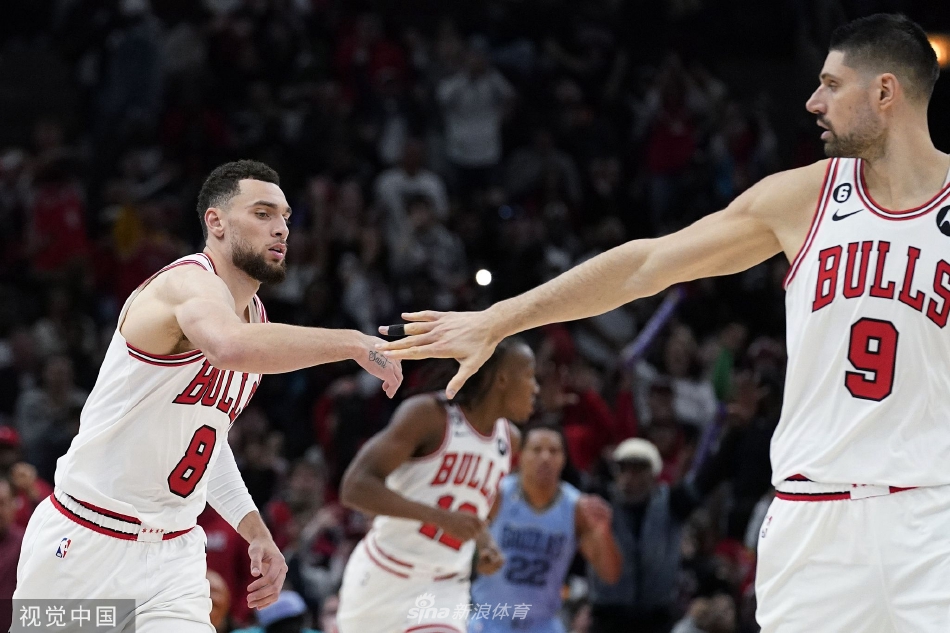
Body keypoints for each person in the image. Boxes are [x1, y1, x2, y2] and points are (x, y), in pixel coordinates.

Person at [378, 14, 950, 632]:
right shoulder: (805, 198)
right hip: (816, 518)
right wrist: (499, 318)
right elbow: (646, 265)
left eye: (832, 85)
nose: (813, 102)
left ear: (884, 91)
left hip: (932, 516)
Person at [14, 160, 403, 632]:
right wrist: (353, 342)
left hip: (174, 557)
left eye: (284, 217)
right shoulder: (186, 284)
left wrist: (254, 529)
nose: (281, 228)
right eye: (262, 213)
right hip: (86, 540)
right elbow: (228, 346)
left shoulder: (256, 319)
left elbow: (205, 440)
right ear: (215, 222)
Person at [338, 338, 538, 633]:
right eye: (530, 376)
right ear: (502, 379)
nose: (536, 388)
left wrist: (484, 543)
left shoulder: (511, 441)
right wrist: (440, 518)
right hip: (383, 576)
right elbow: (354, 487)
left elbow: (476, 508)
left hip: (446, 587)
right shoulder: (429, 415)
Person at [469, 422, 621, 633]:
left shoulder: (577, 508)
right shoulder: (497, 494)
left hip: (542, 624)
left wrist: (603, 532)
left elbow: (610, 575)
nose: (545, 457)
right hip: (489, 619)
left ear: (564, 459)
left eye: (553, 451)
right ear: (521, 456)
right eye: (537, 449)